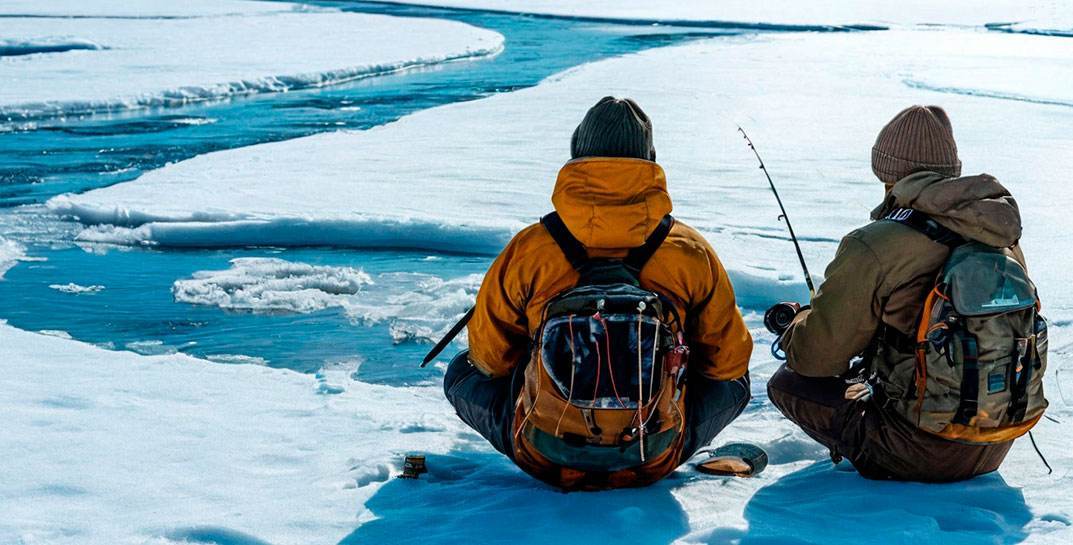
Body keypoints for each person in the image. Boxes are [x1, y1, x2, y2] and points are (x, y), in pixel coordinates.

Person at [443, 96, 753, 490]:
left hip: (544, 453)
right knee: (737, 383)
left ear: (576, 155)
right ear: (651, 159)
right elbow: (728, 364)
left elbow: (489, 359)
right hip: (654, 453)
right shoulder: (689, 251)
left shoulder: (531, 249)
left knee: (459, 372)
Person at [767, 105, 1045, 482]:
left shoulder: (874, 244)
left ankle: (877, 464)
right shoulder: (999, 236)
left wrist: (799, 323)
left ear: (887, 171)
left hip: (919, 450)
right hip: (998, 442)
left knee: (788, 383)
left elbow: (816, 359)